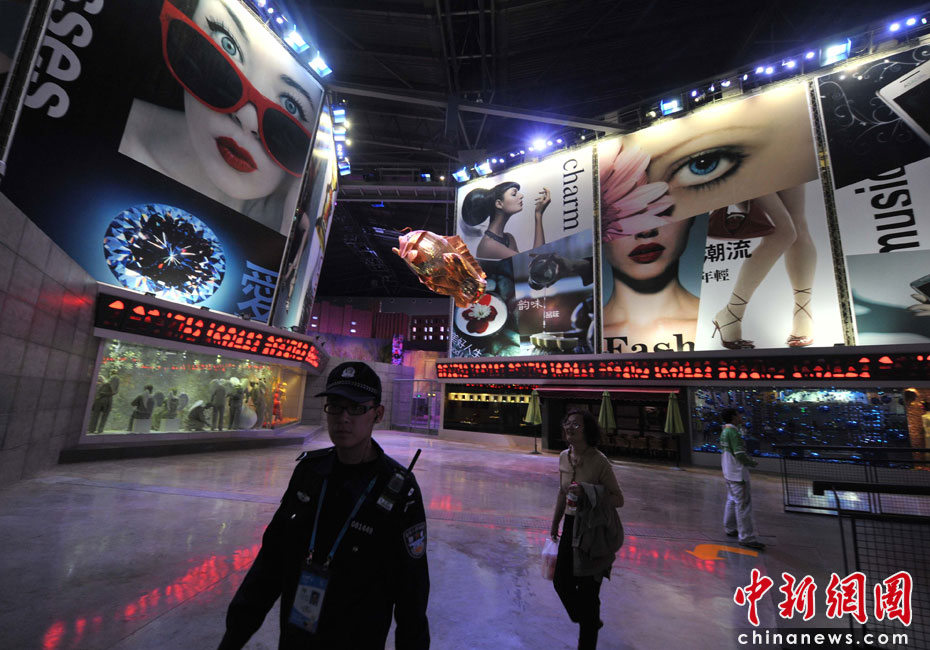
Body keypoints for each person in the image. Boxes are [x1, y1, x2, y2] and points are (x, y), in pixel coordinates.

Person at [217, 361, 430, 649]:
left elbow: (412, 592)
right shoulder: (309, 473)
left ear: (377, 414)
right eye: (335, 406)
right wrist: (233, 638)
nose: (343, 418)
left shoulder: (399, 489)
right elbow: (270, 562)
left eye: (356, 408)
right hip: (297, 637)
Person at [118, 0, 322, 233]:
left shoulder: (275, 235)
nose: (247, 119)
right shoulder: (105, 133)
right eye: (228, 46)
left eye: (291, 106)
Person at [550, 408, 624, 650]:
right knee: (561, 582)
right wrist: (555, 522)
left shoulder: (599, 461)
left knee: (589, 592)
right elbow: (562, 492)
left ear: (587, 431)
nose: (570, 428)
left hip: (592, 530)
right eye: (567, 423)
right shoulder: (563, 457)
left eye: (576, 424)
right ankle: (589, 620)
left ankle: (587, 639)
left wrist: (589, 492)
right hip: (570, 526)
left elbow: (618, 499)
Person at [710, 187, 816, 349]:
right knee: (783, 233)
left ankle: (803, 313)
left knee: (798, 226)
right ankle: (731, 313)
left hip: (781, 168)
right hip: (745, 172)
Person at [601, 219, 700, 350]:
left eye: (664, 211)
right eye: (623, 217)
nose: (646, 231)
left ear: (690, 219)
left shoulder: (718, 324)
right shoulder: (586, 335)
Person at [460, 181, 551, 259]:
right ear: (499, 204)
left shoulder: (509, 238)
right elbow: (534, 263)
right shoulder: (489, 245)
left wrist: (538, 214)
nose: (521, 196)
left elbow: (532, 265)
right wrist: (538, 215)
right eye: (514, 194)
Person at [719, 408, 765, 550]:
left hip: (728, 472)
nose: (741, 416)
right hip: (738, 474)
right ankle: (746, 537)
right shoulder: (733, 433)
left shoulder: (724, 431)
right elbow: (739, 453)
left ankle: (730, 528)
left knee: (732, 500)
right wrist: (751, 462)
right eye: (739, 414)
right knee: (743, 505)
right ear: (733, 417)